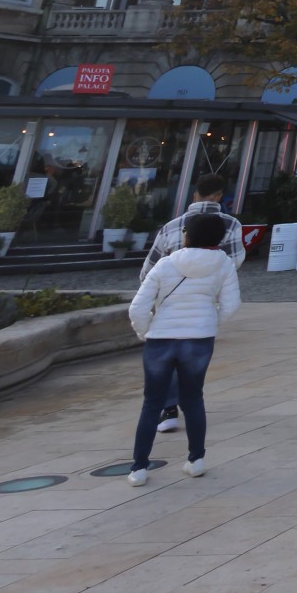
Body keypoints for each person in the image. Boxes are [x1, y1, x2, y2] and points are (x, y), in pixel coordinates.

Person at [125, 211, 240, 486]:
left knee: (152, 403)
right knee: (193, 399)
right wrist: (210, 323)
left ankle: (139, 468)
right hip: (199, 339)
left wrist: (145, 331)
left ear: (186, 235)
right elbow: (231, 304)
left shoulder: (165, 264)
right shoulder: (224, 264)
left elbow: (138, 307)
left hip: (161, 339)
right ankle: (196, 460)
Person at [141, 174, 245, 435]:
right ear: (220, 196)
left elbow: (149, 268)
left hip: (167, 303)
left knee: (166, 361)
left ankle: (167, 409)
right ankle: (193, 440)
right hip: (203, 305)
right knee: (191, 368)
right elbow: (234, 262)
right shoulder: (231, 225)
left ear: (194, 194)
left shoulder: (171, 226)